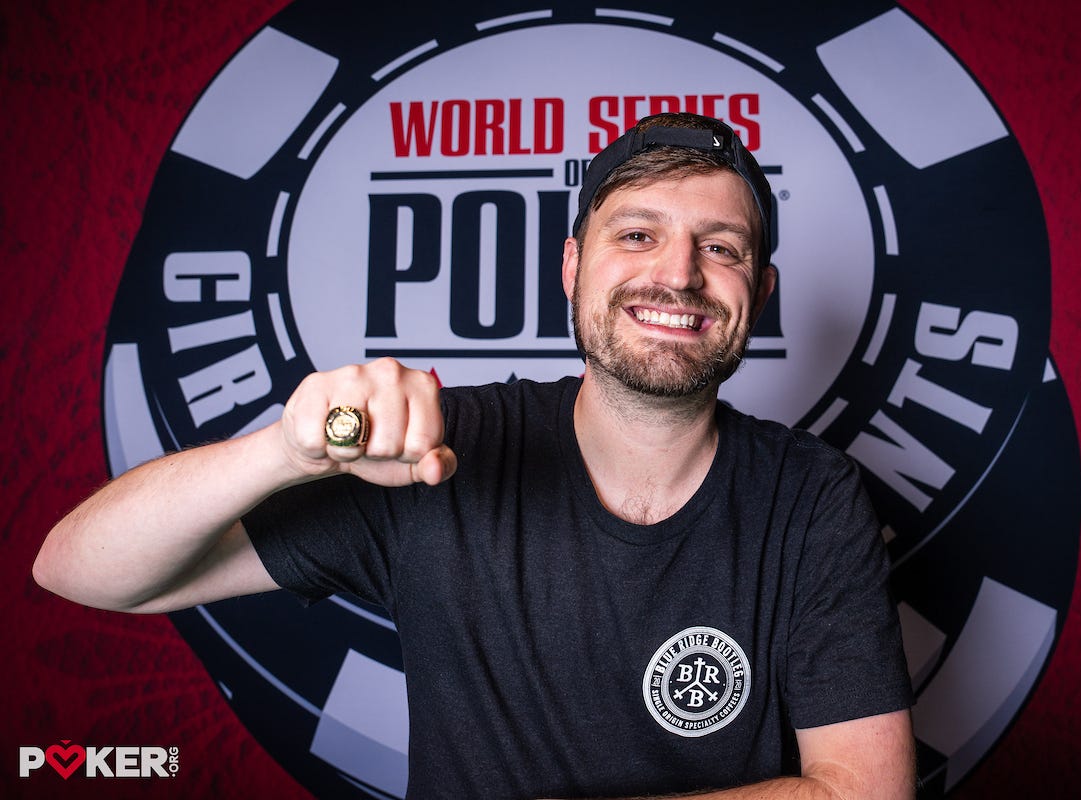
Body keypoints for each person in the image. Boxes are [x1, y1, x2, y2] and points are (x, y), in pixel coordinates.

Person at [35, 112, 916, 799]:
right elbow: (78, 569)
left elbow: (867, 789)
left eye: (719, 248)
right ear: (572, 266)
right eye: (637, 235)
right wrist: (286, 450)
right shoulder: (437, 452)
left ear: (760, 290)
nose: (679, 274)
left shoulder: (812, 496)